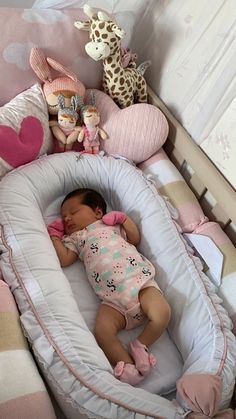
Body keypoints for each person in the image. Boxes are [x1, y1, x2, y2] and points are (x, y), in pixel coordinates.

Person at [47, 188, 171, 385]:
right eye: (63, 217)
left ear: (97, 212)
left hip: (139, 284)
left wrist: (123, 219)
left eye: (74, 211)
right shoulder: (75, 239)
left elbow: (134, 238)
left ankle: (140, 345)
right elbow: (65, 259)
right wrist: (55, 237)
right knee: (102, 332)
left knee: (163, 311)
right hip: (112, 301)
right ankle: (127, 365)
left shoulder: (109, 225)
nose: (67, 219)